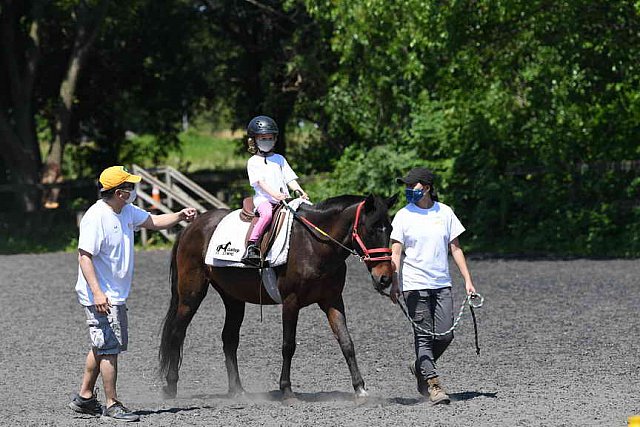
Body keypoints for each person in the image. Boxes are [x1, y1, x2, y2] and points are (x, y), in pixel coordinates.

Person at [69, 166, 197, 421]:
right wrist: (97, 293)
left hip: (114, 293)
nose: (133, 190)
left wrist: (180, 215)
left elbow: (154, 222)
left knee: (102, 343)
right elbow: (84, 257)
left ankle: (84, 398)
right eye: (130, 186)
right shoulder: (96, 217)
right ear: (120, 192)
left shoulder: (126, 211)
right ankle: (111, 403)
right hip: (102, 295)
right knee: (109, 348)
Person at [389, 166, 477, 405]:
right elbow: (396, 254)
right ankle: (434, 385)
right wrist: (394, 283)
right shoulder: (403, 216)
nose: (408, 190)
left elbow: (455, 248)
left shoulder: (445, 213)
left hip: (442, 284)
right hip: (415, 285)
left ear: (426, 188)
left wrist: (468, 280)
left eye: (412, 186)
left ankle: (420, 364)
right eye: (406, 186)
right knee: (424, 336)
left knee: (446, 334)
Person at [240, 115, 308, 265]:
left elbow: (290, 179)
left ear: (275, 139)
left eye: (270, 138)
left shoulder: (280, 158)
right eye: (263, 138)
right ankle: (252, 245)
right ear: (254, 140)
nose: (267, 141)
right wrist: (274, 194)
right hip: (265, 200)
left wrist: (299, 191)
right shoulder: (253, 162)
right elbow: (260, 182)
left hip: (285, 199)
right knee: (267, 215)